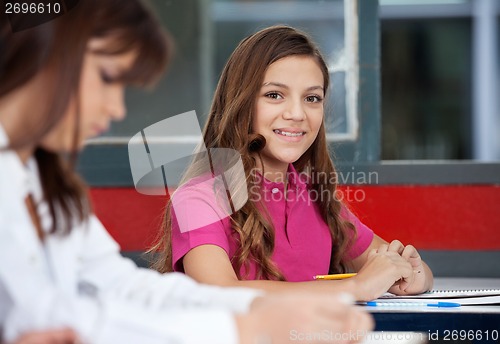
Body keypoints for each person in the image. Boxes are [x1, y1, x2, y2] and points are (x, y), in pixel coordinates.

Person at [0, 3, 373, 344]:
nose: (116, 109)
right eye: (108, 78)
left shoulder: (44, 181)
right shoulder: (203, 194)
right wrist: (241, 325)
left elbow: (118, 286)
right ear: (47, 53)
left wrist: (258, 310)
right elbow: (42, 319)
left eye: (313, 98)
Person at [154, 25, 434, 302]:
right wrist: (354, 287)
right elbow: (217, 293)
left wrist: (411, 273)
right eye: (274, 95)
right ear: (241, 102)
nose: (297, 113)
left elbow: (411, 272)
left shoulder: (318, 197)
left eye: (312, 98)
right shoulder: (198, 198)